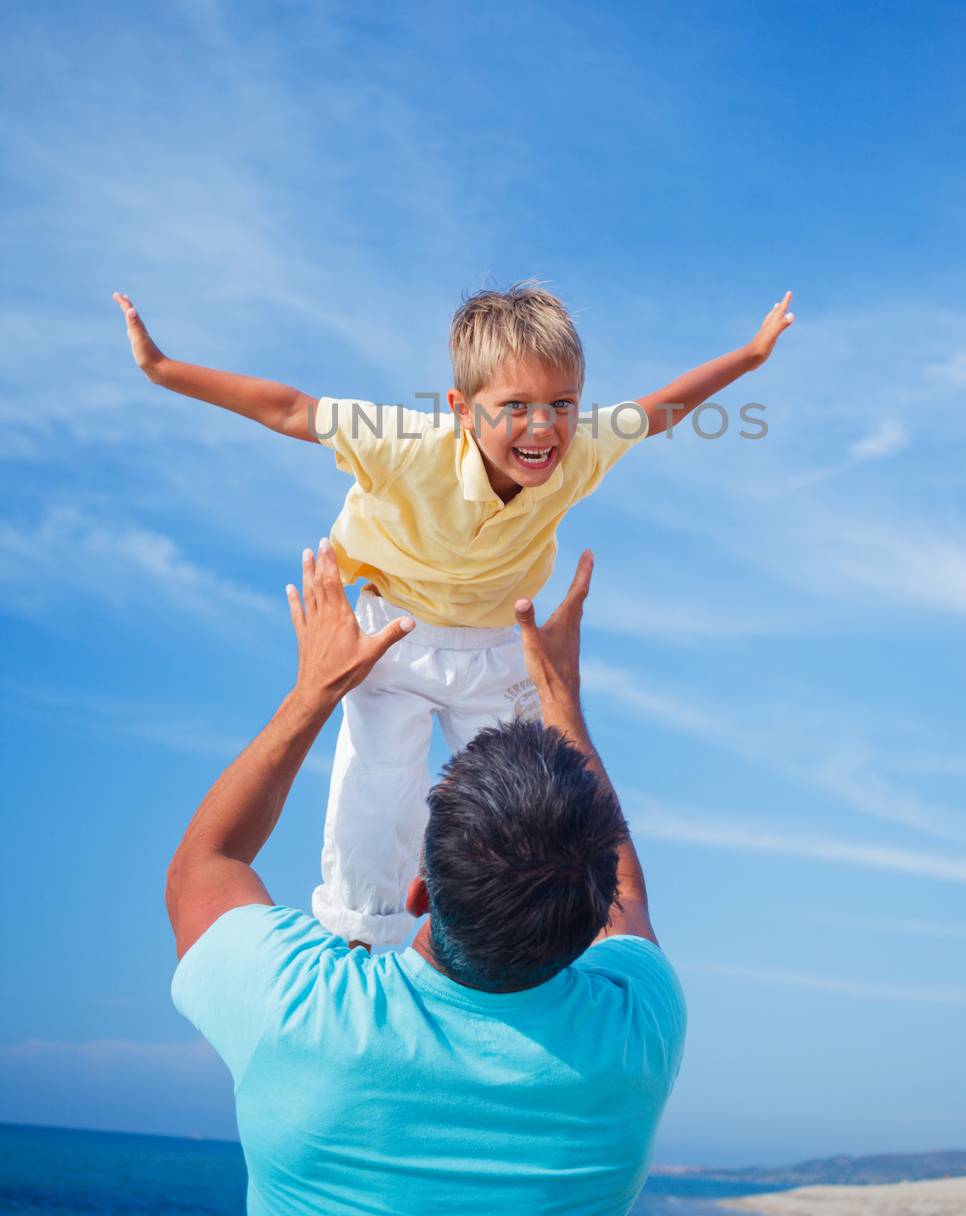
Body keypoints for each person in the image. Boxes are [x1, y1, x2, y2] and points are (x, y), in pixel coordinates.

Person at [117, 281, 794, 947]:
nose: (541, 427)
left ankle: (530, 953)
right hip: (394, 639)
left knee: (530, 811)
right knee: (376, 793)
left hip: (498, 650)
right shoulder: (402, 444)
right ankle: (364, 940)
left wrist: (750, 355)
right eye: (514, 406)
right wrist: (163, 369)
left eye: (562, 403)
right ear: (462, 409)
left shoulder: (581, 449)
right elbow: (292, 409)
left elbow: (660, 408)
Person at [168, 540, 687, 1216]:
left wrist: (314, 690)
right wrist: (559, 698)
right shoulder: (636, 1034)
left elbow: (204, 866)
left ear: (417, 892)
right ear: (594, 918)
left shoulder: (301, 1018)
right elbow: (629, 894)